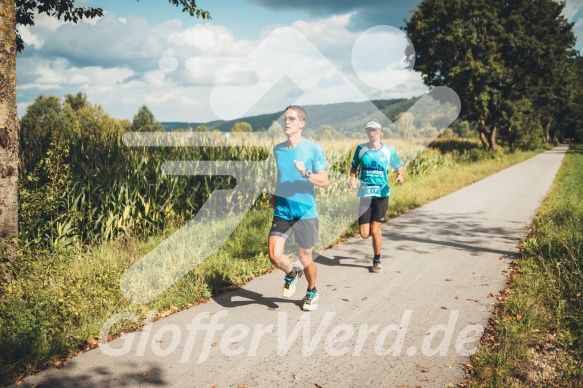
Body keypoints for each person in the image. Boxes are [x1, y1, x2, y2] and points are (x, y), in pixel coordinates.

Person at [268, 105, 329, 311]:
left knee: (305, 257)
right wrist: (276, 193)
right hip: (283, 210)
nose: (287, 122)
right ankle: (292, 273)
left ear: (302, 123)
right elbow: (281, 176)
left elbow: (324, 181)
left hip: (305, 212)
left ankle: (312, 291)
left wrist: (306, 174)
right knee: (274, 256)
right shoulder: (278, 149)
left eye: (292, 119)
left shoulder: (313, 148)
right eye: (285, 119)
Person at [348, 120, 403, 273]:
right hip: (365, 195)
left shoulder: (388, 150)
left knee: (374, 231)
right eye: (369, 130)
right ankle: (375, 237)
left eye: (374, 130)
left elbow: (398, 166)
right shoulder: (361, 149)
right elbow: (354, 166)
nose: (371, 132)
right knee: (364, 234)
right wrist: (352, 178)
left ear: (380, 131)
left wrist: (399, 175)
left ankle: (377, 259)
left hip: (382, 194)